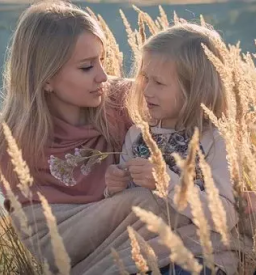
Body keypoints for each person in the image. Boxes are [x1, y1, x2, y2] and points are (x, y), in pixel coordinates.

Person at [0, 1, 169, 275]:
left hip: (128, 224)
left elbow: (184, 142)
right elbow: (36, 233)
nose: (103, 76)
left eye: (102, 61)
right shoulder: (13, 138)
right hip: (61, 234)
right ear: (46, 77)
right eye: (87, 67)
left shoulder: (121, 101)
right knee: (146, 204)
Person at [105, 23, 241, 274]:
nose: (146, 90)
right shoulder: (137, 136)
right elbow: (125, 211)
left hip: (198, 255)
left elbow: (225, 217)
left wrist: (165, 181)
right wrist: (113, 187)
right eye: (144, 78)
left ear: (194, 89)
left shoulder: (212, 140)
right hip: (145, 254)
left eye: (158, 82)